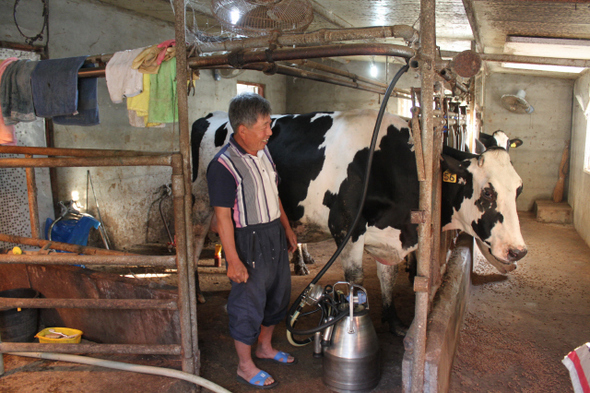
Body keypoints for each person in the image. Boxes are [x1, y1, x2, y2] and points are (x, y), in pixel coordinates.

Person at [206, 93, 298, 389]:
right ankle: (245, 366)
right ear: (242, 130)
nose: (269, 132)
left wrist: (287, 228)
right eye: (264, 127)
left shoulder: (263, 152)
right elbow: (222, 219)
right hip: (248, 240)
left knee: (278, 296)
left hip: (273, 233)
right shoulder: (223, 165)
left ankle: (265, 347)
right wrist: (233, 260)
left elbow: (275, 195)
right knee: (248, 303)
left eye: (269, 125)